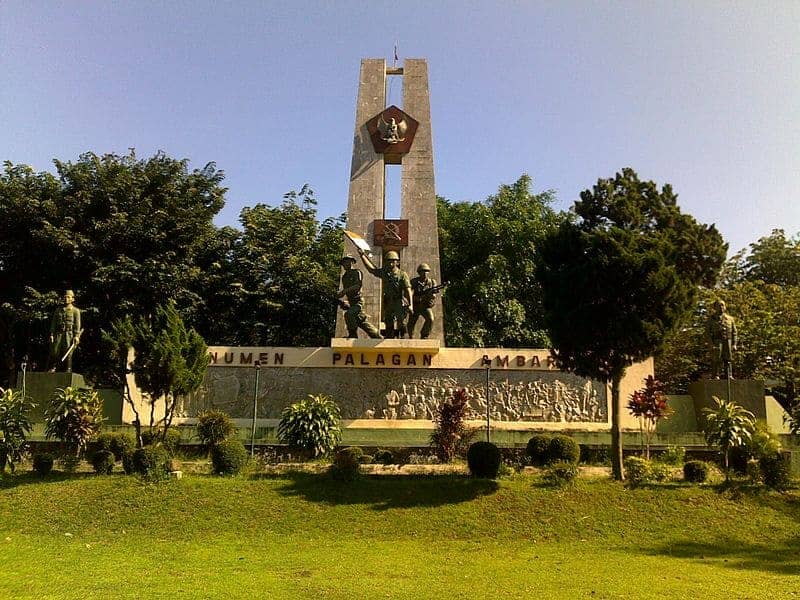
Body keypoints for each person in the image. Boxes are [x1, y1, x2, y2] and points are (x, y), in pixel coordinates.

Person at [359, 249, 412, 339]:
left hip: (398, 300)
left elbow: (408, 290)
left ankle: (404, 338)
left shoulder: (402, 274)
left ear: (397, 262)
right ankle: (389, 339)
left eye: (393, 261)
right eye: (388, 261)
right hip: (388, 301)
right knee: (389, 322)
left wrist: (410, 305)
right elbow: (372, 270)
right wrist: (362, 256)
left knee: (401, 322)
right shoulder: (384, 273)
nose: (390, 263)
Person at [337, 255, 382, 339]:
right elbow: (346, 291)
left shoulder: (356, 272)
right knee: (362, 322)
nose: (345, 264)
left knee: (349, 314)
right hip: (351, 302)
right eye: (344, 263)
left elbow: (358, 286)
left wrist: (344, 291)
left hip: (358, 301)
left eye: (347, 262)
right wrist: (342, 297)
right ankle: (378, 337)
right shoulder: (344, 277)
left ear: (352, 262)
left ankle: (353, 335)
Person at [50, 289, 82, 372]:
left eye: (68, 297)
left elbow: (77, 325)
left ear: (72, 299)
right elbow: (54, 323)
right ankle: (54, 367)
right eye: (65, 297)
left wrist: (77, 336)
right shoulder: (58, 310)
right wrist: (52, 334)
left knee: (68, 351)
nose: (66, 299)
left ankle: (68, 368)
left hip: (69, 334)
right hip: (59, 333)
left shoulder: (76, 311)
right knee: (55, 350)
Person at [707, 299, 737, 379]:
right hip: (717, 341)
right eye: (719, 305)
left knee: (728, 358)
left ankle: (729, 375)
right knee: (716, 358)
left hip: (728, 341)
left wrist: (734, 344)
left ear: (725, 307)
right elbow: (707, 334)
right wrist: (711, 344)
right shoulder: (711, 319)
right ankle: (716, 375)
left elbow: (734, 332)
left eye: (722, 305)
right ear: (715, 307)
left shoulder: (730, 319)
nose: (721, 307)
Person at [408, 263, 438, 339]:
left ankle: (424, 335)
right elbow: (409, 294)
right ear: (419, 272)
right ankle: (410, 336)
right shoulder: (414, 281)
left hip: (425, 306)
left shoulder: (432, 282)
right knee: (411, 323)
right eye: (423, 271)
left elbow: (434, 296)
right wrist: (416, 299)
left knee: (430, 319)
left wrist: (431, 296)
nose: (425, 273)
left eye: (426, 271)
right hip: (416, 305)